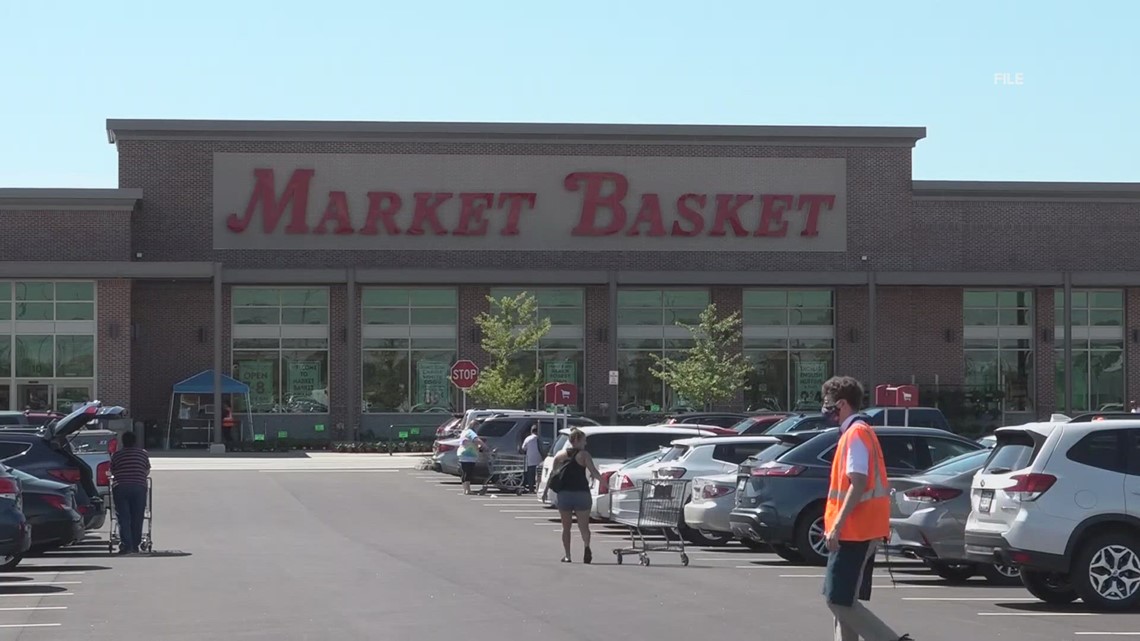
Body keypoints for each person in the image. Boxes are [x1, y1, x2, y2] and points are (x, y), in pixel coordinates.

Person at [820, 376, 912, 641]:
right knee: (841, 601)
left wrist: (837, 525)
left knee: (837, 601)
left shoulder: (856, 434)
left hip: (854, 532)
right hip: (858, 530)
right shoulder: (858, 432)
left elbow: (857, 483)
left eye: (828, 403)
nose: (825, 408)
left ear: (843, 404)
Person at [550, 428, 601, 563]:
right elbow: (594, 472)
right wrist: (606, 485)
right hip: (582, 493)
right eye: (584, 440)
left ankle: (568, 555)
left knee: (566, 527)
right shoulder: (584, 455)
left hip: (564, 494)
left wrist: (544, 492)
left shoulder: (559, 455)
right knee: (584, 526)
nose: (585, 443)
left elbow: (553, 475)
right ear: (577, 440)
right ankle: (586, 546)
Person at [110, 431, 151, 555]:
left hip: (121, 487)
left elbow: (112, 470)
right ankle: (135, 545)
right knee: (137, 517)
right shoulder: (142, 454)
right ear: (135, 442)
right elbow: (147, 470)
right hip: (139, 487)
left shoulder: (116, 455)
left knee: (123, 517)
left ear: (123, 442)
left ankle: (126, 545)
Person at [456, 421, 485, 496]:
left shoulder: (464, 432)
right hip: (469, 455)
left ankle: (465, 489)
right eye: (477, 426)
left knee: (465, 472)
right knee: (468, 472)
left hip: (462, 453)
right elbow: (476, 440)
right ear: (474, 426)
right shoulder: (471, 432)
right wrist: (484, 446)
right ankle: (467, 490)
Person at [520, 423, 542, 492]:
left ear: (531, 431)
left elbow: (523, 448)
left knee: (530, 476)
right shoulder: (540, 438)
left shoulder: (528, 439)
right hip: (539, 460)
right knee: (538, 476)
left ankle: (531, 489)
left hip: (530, 460)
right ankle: (538, 489)